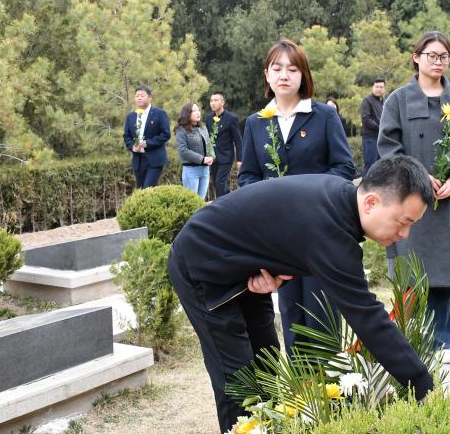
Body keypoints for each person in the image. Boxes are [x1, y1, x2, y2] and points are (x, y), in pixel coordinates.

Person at [168, 155, 435, 432]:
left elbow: (283, 233)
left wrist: (272, 273)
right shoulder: (331, 231)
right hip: (201, 263)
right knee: (239, 378)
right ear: (371, 203)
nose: (405, 234)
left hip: (242, 270)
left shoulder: (340, 200)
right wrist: (423, 386)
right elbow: (369, 319)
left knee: (266, 363)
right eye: (403, 222)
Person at [239, 39, 355, 351]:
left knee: (321, 310)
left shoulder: (324, 116)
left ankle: (330, 378)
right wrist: (267, 202)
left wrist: (311, 197)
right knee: (291, 312)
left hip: (320, 230)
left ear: (303, 75)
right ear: (266, 75)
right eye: (277, 68)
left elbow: (344, 167)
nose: (284, 75)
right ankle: (299, 380)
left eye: (292, 69)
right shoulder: (256, 123)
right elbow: (248, 176)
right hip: (279, 236)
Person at [378, 31, 450, 364]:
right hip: (410, 201)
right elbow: (389, 148)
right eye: (432, 55)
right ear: (416, 57)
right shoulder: (398, 100)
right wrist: (418, 175)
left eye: (444, 56)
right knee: (411, 277)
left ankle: (442, 342)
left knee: (441, 278)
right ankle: (409, 342)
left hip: (447, 201)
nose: (438, 62)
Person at [122, 85, 171, 189]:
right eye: (137, 96)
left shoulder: (159, 113)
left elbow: (166, 134)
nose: (139, 98)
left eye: (142, 95)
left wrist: (147, 143)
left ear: (150, 98)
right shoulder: (131, 116)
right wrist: (132, 146)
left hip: (154, 159)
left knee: (148, 189)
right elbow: (126, 136)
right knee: (140, 190)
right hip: (138, 160)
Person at [204, 92, 242, 198]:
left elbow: (238, 140)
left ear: (222, 102)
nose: (213, 103)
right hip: (213, 157)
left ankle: (223, 204)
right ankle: (231, 199)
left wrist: (240, 159)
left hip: (226, 156)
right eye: (211, 101)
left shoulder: (231, 118)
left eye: (216, 100)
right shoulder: (208, 118)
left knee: (220, 182)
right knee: (216, 183)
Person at [175, 102, 213, 200]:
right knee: (192, 202)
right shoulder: (181, 130)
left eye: (198, 110)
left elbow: (209, 145)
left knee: (201, 202)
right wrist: (202, 159)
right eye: (194, 111)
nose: (198, 113)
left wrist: (211, 157)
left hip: (205, 170)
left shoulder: (203, 127)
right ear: (187, 113)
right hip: (191, 170)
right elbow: (183, 150)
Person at [360, 78, 385, 175]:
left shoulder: (383, 102)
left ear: (384, 89)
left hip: (380, 137)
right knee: (370, 164)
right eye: (376, 87)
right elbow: (366, 119)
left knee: (379, 166)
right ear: (372, 87)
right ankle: (364, 184)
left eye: (381, 87)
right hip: (370, 137)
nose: (379, 89)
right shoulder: (367, 100)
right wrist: (380, 127)